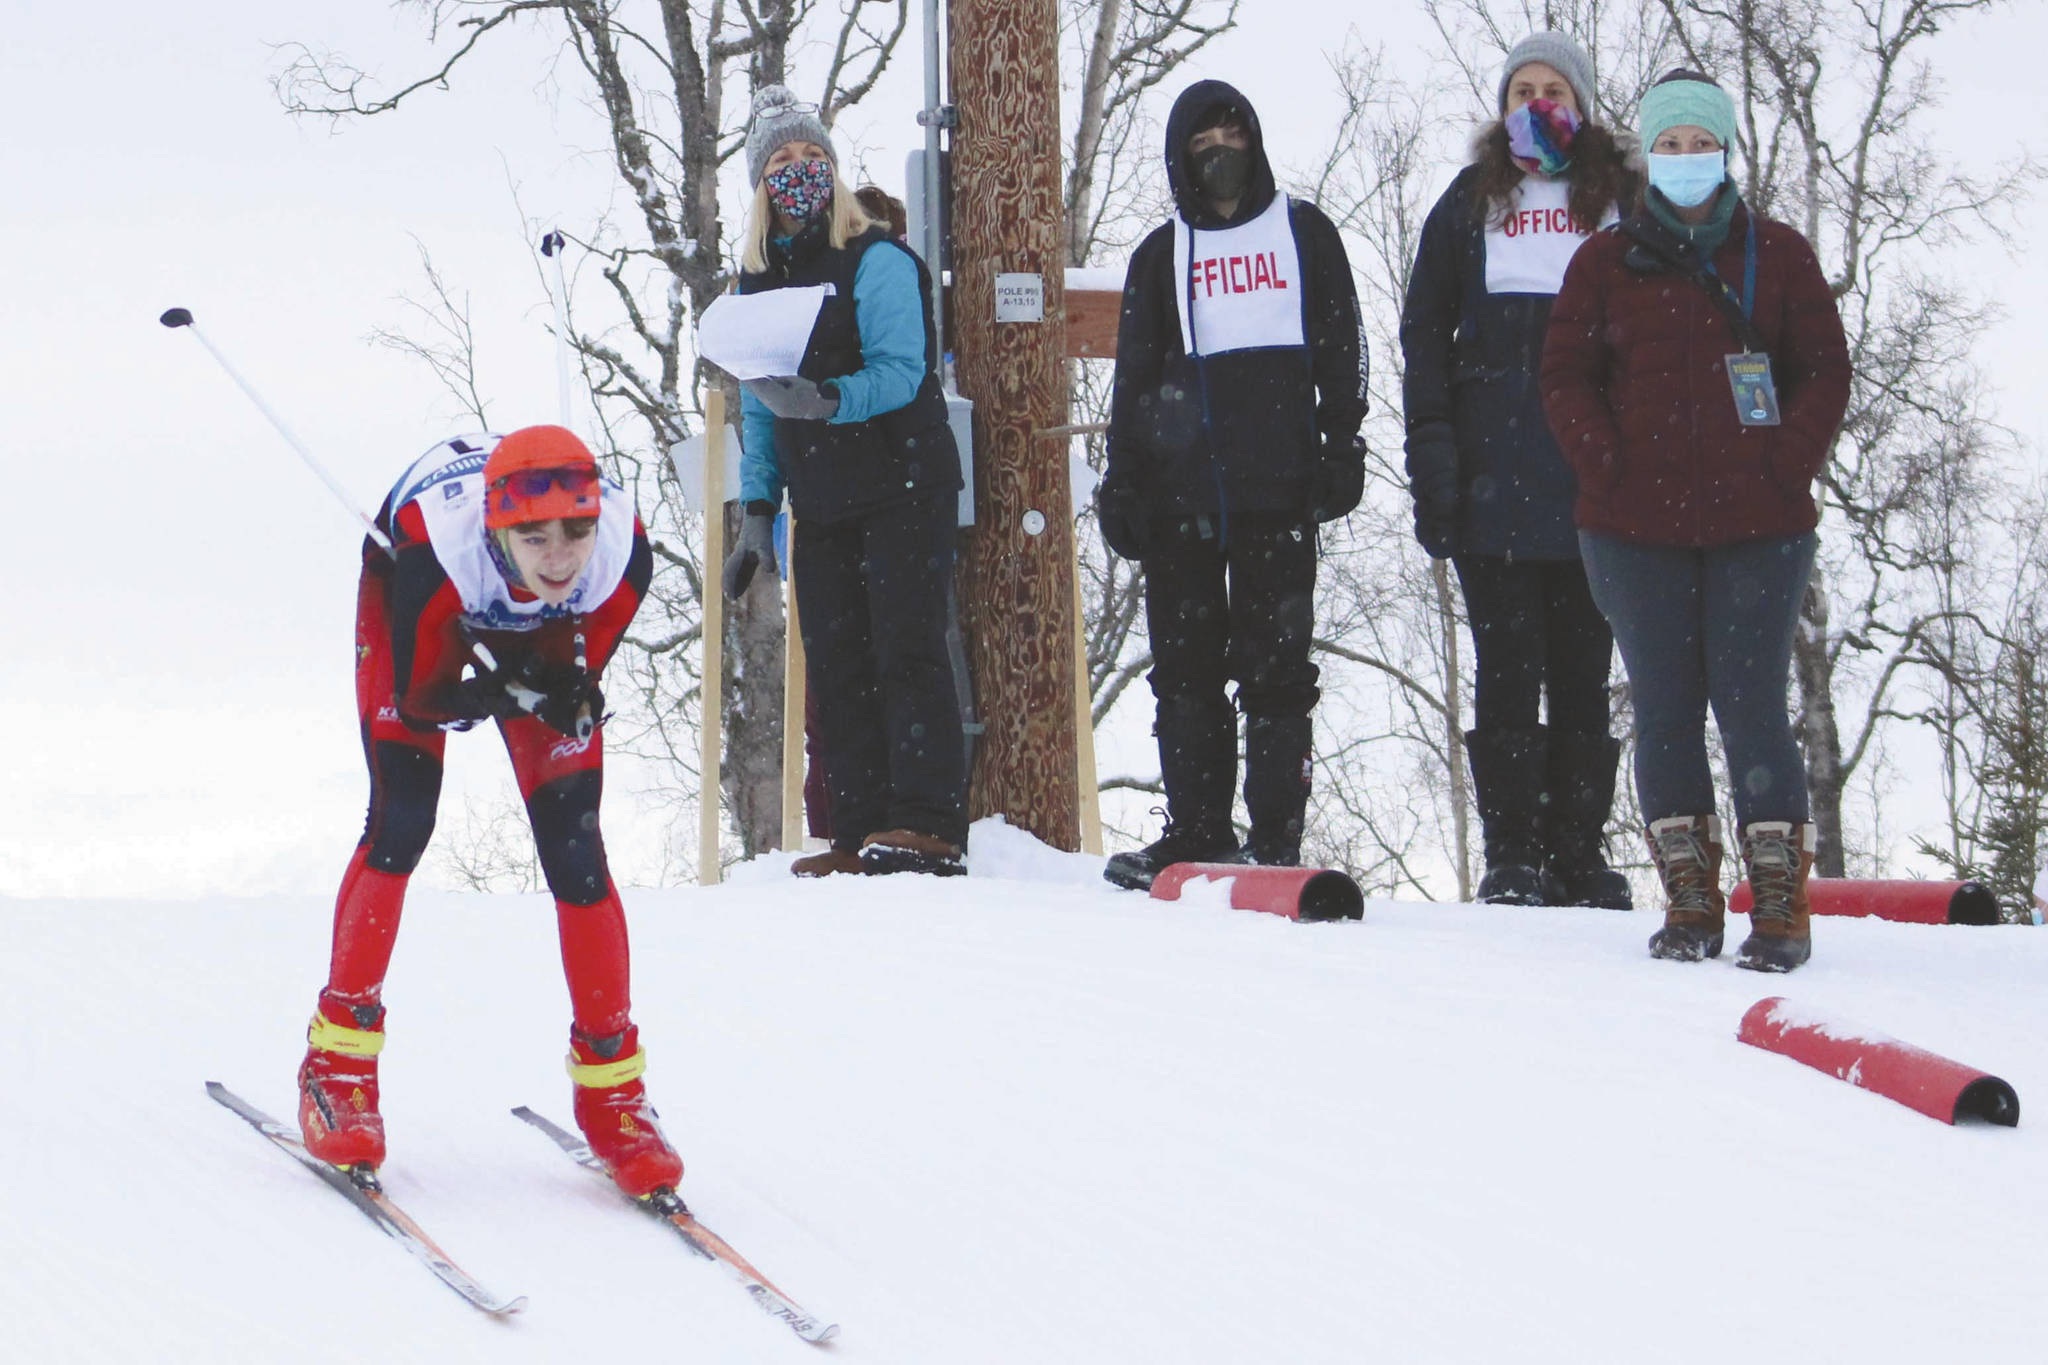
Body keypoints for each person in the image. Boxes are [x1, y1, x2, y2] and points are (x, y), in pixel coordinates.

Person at [296, 424, 686, 1199]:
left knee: (576, 849)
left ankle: (613, 1091)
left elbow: (571, 670)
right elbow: (426, 695)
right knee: (403, 817)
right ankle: (336, 1066)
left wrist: (554, 691)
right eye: (532, 535)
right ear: (495, 524)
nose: (559, 555)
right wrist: (503, 691)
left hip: (539, 625)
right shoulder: (440, 548)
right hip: (420, 604)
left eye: (575, 531)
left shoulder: (621, 556)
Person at [1542, 70, 1851, 971]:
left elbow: (1824, 372)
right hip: (1633, 529)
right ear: (1649, 155)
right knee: (1667, 712)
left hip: (1762, 524)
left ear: (1725, 152)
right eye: (1669, 145)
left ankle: (1781, 907)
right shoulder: (1601, 263)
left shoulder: (1779, 255)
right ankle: (1690, 899)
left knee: (1752, 702)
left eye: (1700, 144)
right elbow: (1565, 377)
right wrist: (1606, 461)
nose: (1685, 160)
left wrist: (1784, 462)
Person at [1096, 80, 1369, 888]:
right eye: (1203, 140)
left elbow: (1342, 344)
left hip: (1281, 496)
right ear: (1181, 158)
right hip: (1181, 503)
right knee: (1184, 670)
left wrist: (1341, 443)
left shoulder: (1304, 235)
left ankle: (1277, 839)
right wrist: (1124, 481)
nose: (1220, 151)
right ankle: (1197, 829)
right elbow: (1135, 379)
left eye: (1232, 132)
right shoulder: (1160, 256)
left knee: (1277, 672)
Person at [1400, 32, 1639, 910]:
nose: (1537, 104)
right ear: (1503, 109)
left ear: (1581, 105)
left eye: (1554, 89)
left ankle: (1578, 850)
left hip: (1595, 483)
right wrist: (1433, 464)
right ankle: (1513, 854)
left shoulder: (1623, 205)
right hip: (1492, 483)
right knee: (1506, 668)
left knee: (1584, 670)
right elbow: (1423, 337)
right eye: (1521, 90)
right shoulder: (1470, 204)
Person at [721, 86, 968, 878]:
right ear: (761, 186)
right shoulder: (753, 286)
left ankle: (927, 818)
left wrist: (829, 400)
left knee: (906, 649)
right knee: (838, 661)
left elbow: (902, 371)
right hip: (820, 501)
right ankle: (858, 827)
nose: (800, 171)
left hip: (903, 482)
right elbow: (760, 414)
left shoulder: (878, 259)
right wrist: (758, 514)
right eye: (782, 161)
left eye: (812, 156)